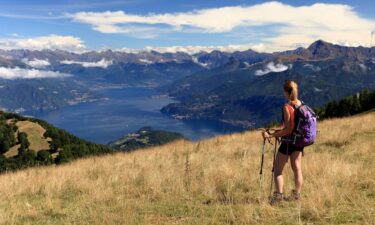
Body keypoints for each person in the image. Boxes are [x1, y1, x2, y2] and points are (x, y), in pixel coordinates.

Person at [262, 80, 303, 204]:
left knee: (277, 169)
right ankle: (297, 195)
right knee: (297, 169)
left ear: (286, 92)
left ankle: (278, 197)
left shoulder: (287, 106)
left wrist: (271, 135)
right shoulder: (301, 104)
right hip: (299, 141)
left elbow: (287, 129)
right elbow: (292, 126)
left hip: (288, 143)